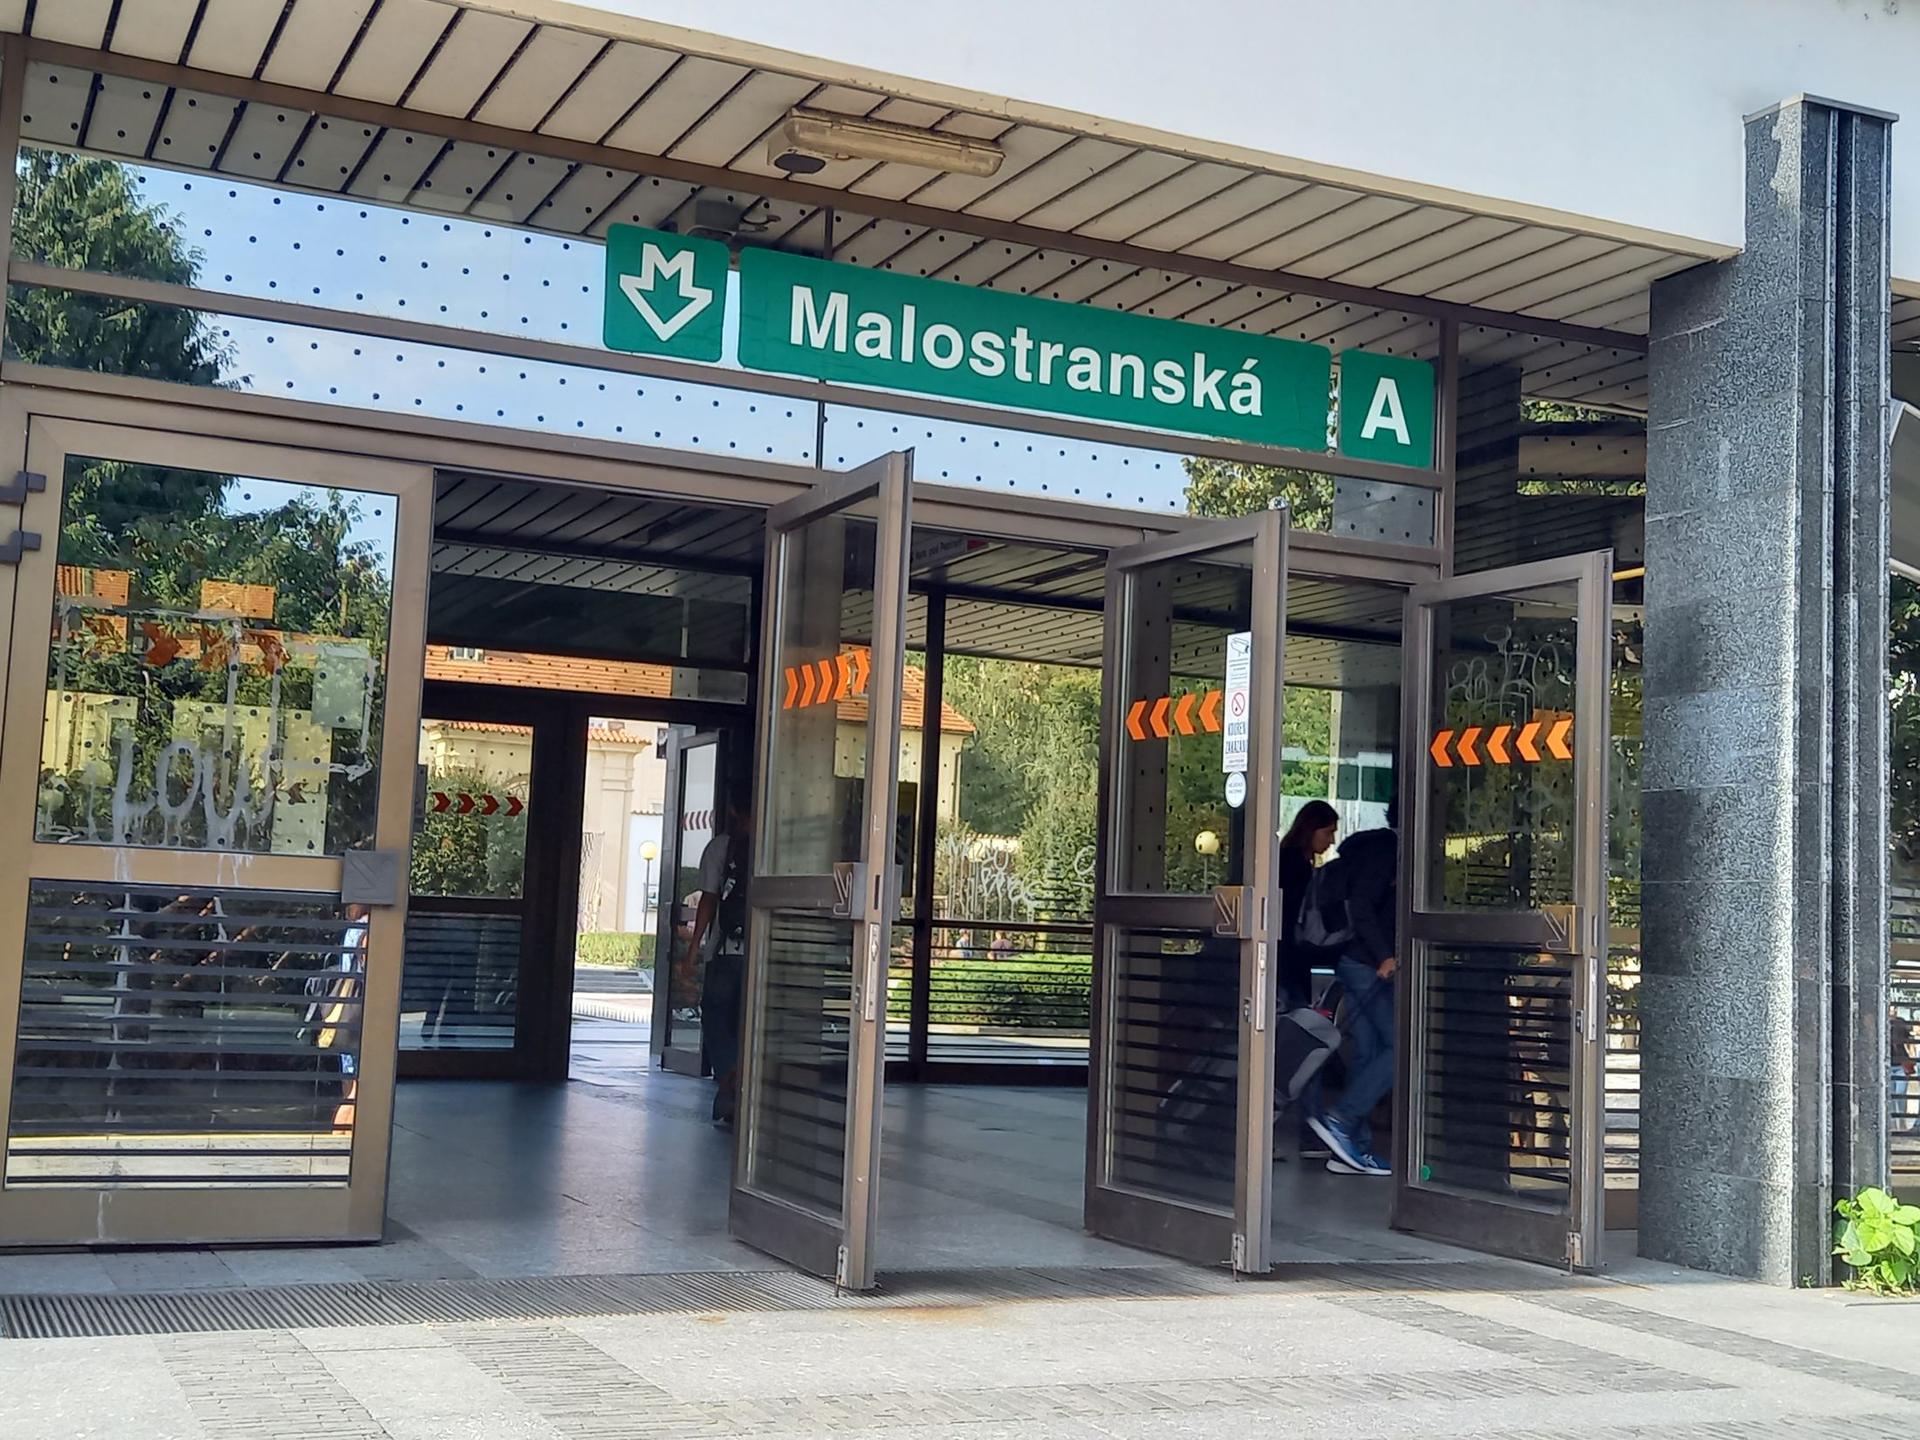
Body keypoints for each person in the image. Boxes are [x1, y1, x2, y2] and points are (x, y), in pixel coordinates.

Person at [1308, 797, 1398, 1177]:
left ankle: (1351, 1151)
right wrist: (1384, 955)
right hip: (1368, 964)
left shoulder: (1368, 847)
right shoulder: (1388, 850)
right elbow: (1363, 904)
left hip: (1352, 961)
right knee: (1401, 1048)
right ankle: (1343, 1120)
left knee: (1368, 1051)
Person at [681, 776, 751, 1127]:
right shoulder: (775, 849)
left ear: (735, 811)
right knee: (747, 1023)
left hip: (725, 953)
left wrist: (694, 950)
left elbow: (708, 901)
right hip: (761, 956)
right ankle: (741, 1083)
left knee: (715, 1017)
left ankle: (730, 1078)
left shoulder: (720, 847)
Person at [1277, 800, 1341, 1012]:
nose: (1331, 841)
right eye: (1328, 832)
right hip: (1288, 954)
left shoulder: (1286, 859)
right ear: (1311, 829)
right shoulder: (1297, 865)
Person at [1893, 1004, 1918, 1137]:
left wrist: (1913, 1057)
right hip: (1889, 1065)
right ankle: (1894, 1124)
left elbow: (1910, 1040)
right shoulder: (1877, 1022)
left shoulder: (1901, 1023)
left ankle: (1901, 1124)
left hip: (1901, 1064)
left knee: (1900, 1094)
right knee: (1892, 1096)